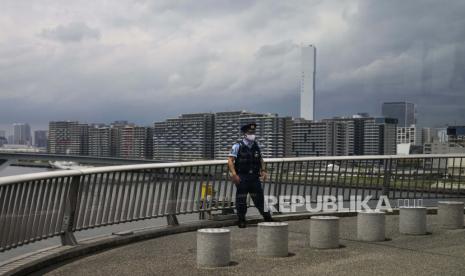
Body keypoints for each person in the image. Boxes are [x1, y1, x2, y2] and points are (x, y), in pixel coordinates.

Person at [227, 122, 273, 228]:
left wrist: (264, 170)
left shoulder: (256, 146)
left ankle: (267, 217)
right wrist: (234, 175)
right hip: (242, 177)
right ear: (244, 133)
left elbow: (260, 159)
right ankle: (242, 220)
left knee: (259, 199)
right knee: (241, 200)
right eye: (250, 132)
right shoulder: (237, 146)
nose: (252, 134)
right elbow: (230, 160)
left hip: (254, 178)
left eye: (253, 132)